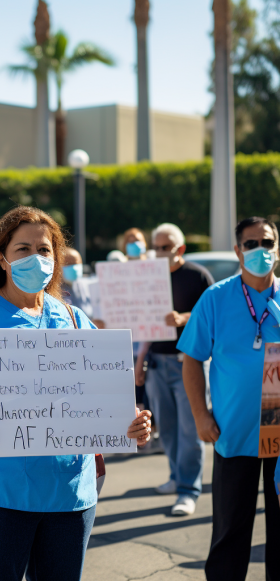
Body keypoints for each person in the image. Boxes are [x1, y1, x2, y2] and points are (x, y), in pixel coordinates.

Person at [0, 206, 152, 581]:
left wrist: (133, 422)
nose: (36, 258)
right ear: (2, 258)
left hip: (70, 499)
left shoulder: (76, 320)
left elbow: (108, 400)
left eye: (44, 250)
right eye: (23, 249)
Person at [179, 216, 280, 580]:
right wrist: (201, 415)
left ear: (278, 249)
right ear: (238, 251)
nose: (260, 251)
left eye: (267, 243)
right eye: (251, 244)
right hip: (233, 434)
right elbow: (192, 358)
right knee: (230, 534)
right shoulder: (216, 298)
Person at [135, 223, 213, 516]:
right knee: (166, 427)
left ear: (180, 249)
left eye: (164, 247)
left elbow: (210, 315)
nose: (158, 252)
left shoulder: (197, 276)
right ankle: (176, 476)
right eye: (155, 246)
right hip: (156, 362)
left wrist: (183, 318)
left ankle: (188, 490)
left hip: (188, 363)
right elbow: (144, 323)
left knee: (189, 429)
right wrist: (140, 360)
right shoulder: (148, 279)